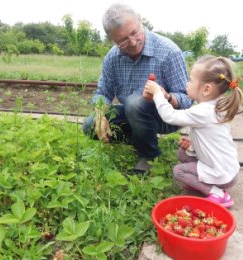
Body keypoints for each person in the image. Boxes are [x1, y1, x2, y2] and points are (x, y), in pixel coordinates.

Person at [82, 3, 192, 173]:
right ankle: (141, 140)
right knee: (90, 125)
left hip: (165, 117)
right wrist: (100, 113)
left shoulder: (169, 52)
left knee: (135, 102)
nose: (133, 42)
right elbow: (103, 92)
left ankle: (149, 155)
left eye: (134, 33)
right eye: (123, 40)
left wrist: (166, 97)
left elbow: (187, 99)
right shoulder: (112, 58)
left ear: (140, 21)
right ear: (112, 39)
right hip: (133, 114)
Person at [144, 55, 243, 207]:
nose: (187, 84)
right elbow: (211, 138)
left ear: (206, 89)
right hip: (228, 169)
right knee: (182, 153)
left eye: (190, 80)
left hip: (223, 174)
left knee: (179, 171)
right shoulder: (215, 107)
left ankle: (219, 194)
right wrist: (193, 144)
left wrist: (157, 94)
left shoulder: (203, 111)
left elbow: (169, 116)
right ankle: (201, 183)